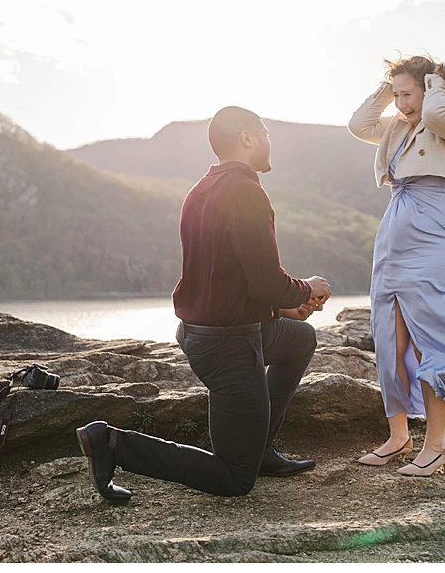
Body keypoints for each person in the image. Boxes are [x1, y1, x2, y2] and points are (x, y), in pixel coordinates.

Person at [75, 106, 331, 502]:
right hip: (229, 347)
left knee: (299, 338)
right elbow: (266, 280)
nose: (268, 142)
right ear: (246, 138)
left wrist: (283, 310)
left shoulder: (200, 191)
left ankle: (259, 447)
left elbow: (226, 278)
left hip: (212, 332)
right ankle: (113, 445)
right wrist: (306, 288)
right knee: (234, 479)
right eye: (265, 134)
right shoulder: (247, 191)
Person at [347, 54, 445, 477]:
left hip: (435, 237)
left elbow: (437, 112)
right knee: (390, 337)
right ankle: (398, 436)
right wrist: (387, 90)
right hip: (394, 235)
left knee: (432, 338)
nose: (402, 103)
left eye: (409, 94)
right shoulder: (397, 127)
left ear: (431, 89)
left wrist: (434, 85)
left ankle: (437, 445)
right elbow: (358, 124)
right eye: (397, 95)